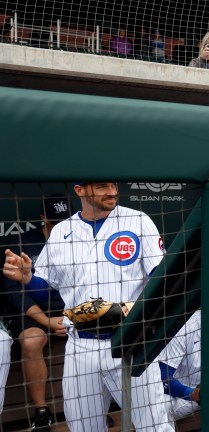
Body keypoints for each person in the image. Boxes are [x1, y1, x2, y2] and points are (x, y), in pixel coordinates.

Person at [2, 182, 173, 432]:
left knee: (154, 427)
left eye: (114, 185)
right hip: (80, 346)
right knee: (83, 428)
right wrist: (27, 277)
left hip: (130, 341)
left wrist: (132, 308)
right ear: (80, 190)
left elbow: (162, 279)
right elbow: (48, 286)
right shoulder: (62, 231)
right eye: (102, 186)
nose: (112, 191)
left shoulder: (137, 220)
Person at [3, 195, 72, 430]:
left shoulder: (79, 242)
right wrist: (47, 321)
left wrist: (70, 316)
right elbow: (14, 291)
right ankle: (41, 410)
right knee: (32, 341)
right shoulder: (21, 243)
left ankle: (91, 406)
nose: (60, 228)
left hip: (65, 308)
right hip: (28, 311)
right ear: (43, 218)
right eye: (55, 223)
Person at [158, 310, 201, 420]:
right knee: (162, 405)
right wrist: (191, 393)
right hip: (184, 395)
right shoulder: (185, 327)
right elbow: (163, 376)